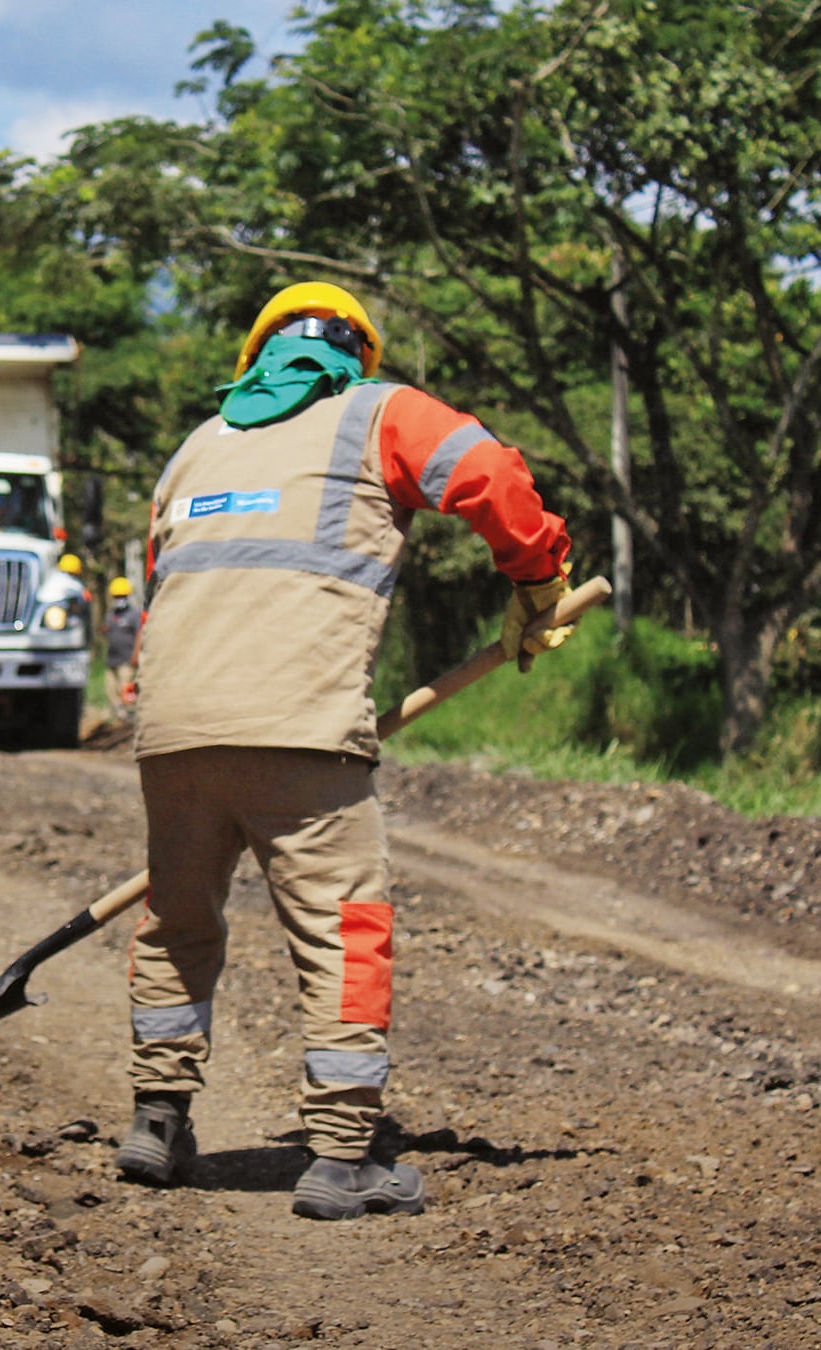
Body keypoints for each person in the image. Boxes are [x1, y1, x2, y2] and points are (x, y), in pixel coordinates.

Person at [115, 282, 576, 1220]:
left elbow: (160, 593)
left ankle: (156, 1120)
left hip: (171, 732)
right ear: (356, 353)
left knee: (176, 922)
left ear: (257, 357)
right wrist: (537, 576)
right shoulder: (380, 413)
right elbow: (488, 475)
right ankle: (339, 1154)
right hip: (300, 731)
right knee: (341, 929)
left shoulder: (197, 446)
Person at [103, 577, 140, 716]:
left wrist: (135, 656)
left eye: (122, 596)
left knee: (125, 687)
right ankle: (116, 712)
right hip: (112, 658)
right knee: (111, 688)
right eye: (116, 596)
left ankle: (129, 712)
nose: (119, 599)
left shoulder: (133, 615)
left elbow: (139, 634)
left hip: (127, 658)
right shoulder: (111, 614)